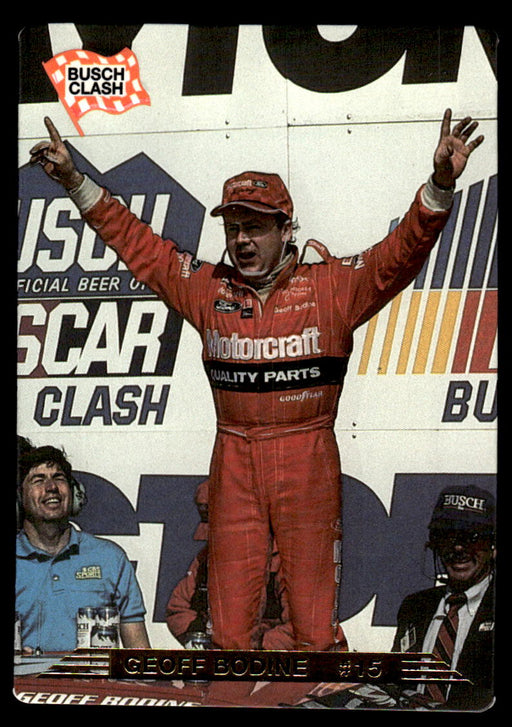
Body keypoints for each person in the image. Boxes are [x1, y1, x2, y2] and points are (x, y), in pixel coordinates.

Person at [29, 109, 484, 651]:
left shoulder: (332, 288)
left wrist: (439, 185)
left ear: (286, 229)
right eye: (233, 228)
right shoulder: (207, 288)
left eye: (255, 226)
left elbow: (402, 252)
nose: (242, 240)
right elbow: (138, 245)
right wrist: (74, 180)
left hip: (307, 452)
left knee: (313, 624)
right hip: (235, 458)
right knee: (229, 625)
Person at [16, 438, 151, 652]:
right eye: (38, 480)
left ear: (74, 493)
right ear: (20, 498)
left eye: (58, 478)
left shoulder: (110, 558)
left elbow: (139, 653)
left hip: (93, 676)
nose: (51, 487)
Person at [392, 484, 496, 711]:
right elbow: (396, 683)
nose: (458, 548)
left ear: (492, 546)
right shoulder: (414, 607)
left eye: (472, 537)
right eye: (447, 536)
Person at [165, 480, 298, 650]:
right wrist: (195, 633)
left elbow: (302, 627)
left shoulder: (283, 561)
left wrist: (256, 648)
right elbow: (177, 608)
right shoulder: (206, 559)